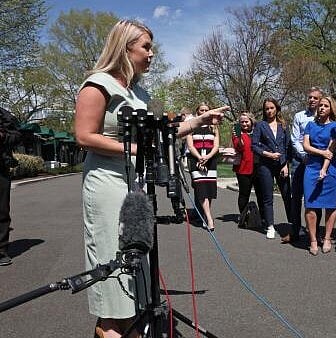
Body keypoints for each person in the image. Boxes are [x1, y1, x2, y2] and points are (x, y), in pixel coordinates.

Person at [74, 20, 228, 338]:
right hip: (107, 186)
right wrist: (132, 148)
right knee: (114, 277)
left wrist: (199, 120)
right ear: (125, 48)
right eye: (146, 46)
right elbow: (84, 136)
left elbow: (162, 133)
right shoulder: (98, 84)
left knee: (137, 276)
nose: (152, 53)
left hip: (136, 186)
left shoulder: (140, 92)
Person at [303, 96, 336, 255]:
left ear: (331, 108)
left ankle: (327, 238)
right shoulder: (310, 125)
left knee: (330, 205)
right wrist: (320, 152)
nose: (322, 108)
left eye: (326, 105)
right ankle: (312, 239)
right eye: (320, 105)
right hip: (311, 167)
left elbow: (331, 150)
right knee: (310, 205)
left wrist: (324, 169)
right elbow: (306, 146)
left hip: (331, 168)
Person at [287, 87, 324, 243]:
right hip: (300, 161)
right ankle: (295, 231)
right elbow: (295, 139)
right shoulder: (299, 116)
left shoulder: (325, 118)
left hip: (317, 162)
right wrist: (304, 156)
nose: (312, 100)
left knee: (316, 198)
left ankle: (314, 233)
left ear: (321, 99)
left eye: (315, 98)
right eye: (310, 97)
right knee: (296, 197)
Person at [252, 98, 292, 239]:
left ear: (277, 109)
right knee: (267, 197)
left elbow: (288, 147)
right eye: (267, 108)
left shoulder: (283, 125)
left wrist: (286, 164)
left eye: (271, 108)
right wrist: (268, 154)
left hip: (282, 165)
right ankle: (270, 226)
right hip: (265, 165)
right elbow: (254, 146)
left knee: (287, 196)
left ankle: (293, 224)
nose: (269, 111)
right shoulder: (260, 125)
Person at [186, 103, 219, 231]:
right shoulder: (192, 125)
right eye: (201, 110)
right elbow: (190, 145)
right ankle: (209, 218)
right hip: (196, 160)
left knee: (209, 189)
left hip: (210, 160)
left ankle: (206, 214)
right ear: (197, 112)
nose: (204, 112)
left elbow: (216, 145)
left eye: (206, 110)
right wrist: (199, 157)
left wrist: (208, 157)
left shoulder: (214, 126)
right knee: (201, 189)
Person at [0, 107, 21, 266]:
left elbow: (17, 135)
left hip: (0, 167)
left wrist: (3, 136)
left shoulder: (4, 115)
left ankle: (1, 251)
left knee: (1, 210)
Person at [232, 111, 260, 221]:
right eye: (242, 122)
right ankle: (243, 216)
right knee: (244, 194)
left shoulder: (257, 131)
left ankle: (262, 217)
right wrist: (238, 137)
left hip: (258, 167)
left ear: (251, 121)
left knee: (261, 194)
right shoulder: (238, 132)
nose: (244, 124)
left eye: (246, 121)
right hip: (243, 168)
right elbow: (239, 147)